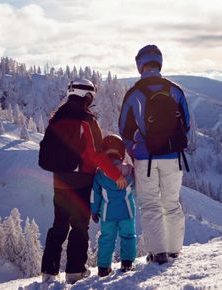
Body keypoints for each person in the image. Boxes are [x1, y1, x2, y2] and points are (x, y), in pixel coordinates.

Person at [40, 79, 127, 284]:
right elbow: (97, 154)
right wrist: (116, 175)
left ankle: (48, 272)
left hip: (60, 180)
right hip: (81, 180)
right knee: (79, 226)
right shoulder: (87, 120)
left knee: (59, 225)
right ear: (85, 95)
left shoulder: (57, 117)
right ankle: (75, 271)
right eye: (91, 97)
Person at [119, 44, 190, 264]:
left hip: (145, 157)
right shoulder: (175, 90)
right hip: (173, 157)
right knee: (172, 202)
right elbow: (186, 125)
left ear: (140, 65)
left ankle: (158, 253)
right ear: (159, 62)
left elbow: (124, 128)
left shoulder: (134, 93)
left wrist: (134, 148)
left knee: (150, 204)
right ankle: (174, 250)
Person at [91, 134, 136, 277]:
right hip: (127, 212)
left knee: (106, 238)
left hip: (107, 213)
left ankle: (103, 268)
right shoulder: (129, 170)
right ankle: (127, 263)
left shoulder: (100, 174)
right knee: (128, 236)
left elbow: (95, 195)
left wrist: (94, 211)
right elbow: (136, 188)